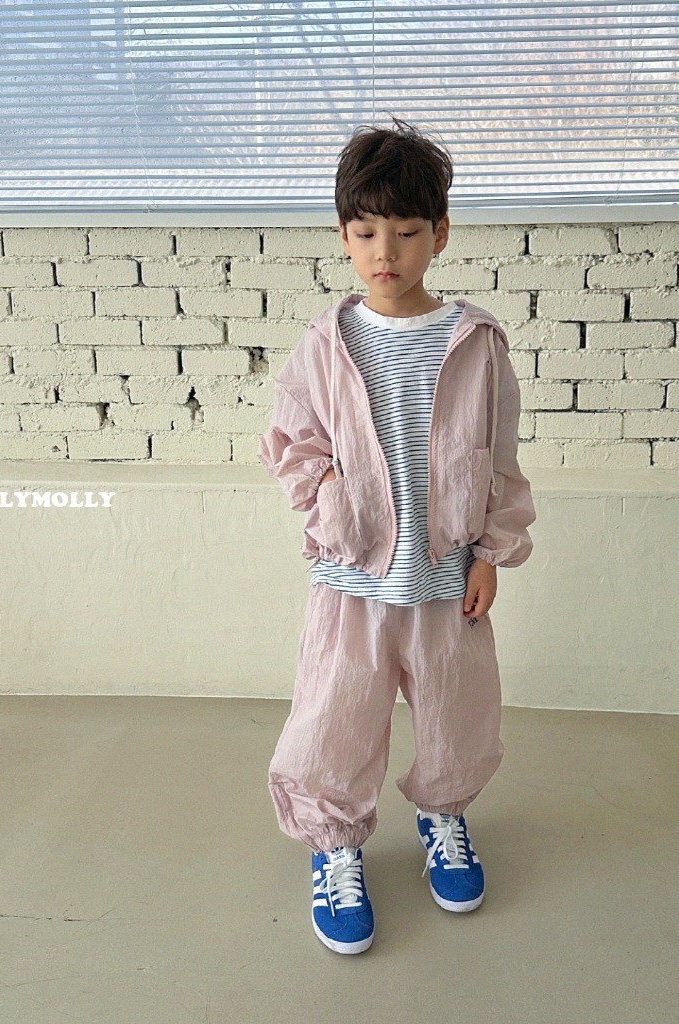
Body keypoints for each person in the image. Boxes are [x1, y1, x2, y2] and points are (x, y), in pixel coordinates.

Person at [258, 116, 537, 955]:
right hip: (352, 582)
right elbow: (291, 444)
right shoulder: (327, 344)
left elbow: (499, 457)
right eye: (367, 232)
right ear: (344, 236)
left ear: (439, 233)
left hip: (447, 578)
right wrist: (331, 501)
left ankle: (443, 818)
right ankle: (336, 846)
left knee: (459, 715)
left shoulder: (475, 341)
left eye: (408, 232)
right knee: (335, 719)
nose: (387, 252)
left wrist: (491, 554)